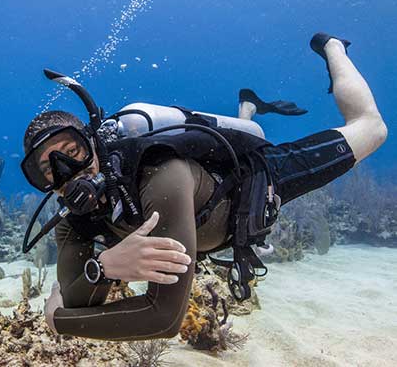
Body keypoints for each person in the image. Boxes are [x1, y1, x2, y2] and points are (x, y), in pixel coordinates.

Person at [21, 33, 387, 341]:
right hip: (204, 223)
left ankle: (333, 46)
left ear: (94, 142)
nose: (67, 172)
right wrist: (103, 268)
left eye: (73, 153)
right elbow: (80, 299)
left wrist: (59, 322)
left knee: (371, 129)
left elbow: (163, 319)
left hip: (253, 187)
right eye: (47, 170)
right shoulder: (73, 223)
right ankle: (247, 109)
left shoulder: (159, 174)